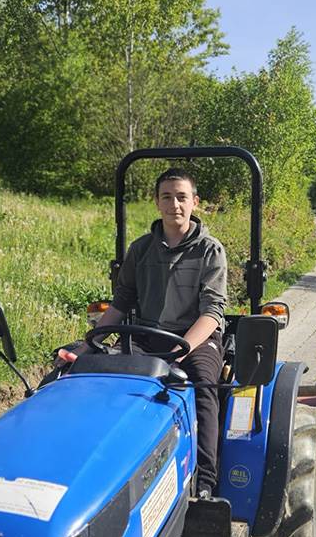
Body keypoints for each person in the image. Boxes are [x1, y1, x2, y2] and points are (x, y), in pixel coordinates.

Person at [59, 167, 227, 496]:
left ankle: (206, 482)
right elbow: (121, 303)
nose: (174, 204)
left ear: (195, 202)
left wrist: (184, 348)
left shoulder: (210, 250)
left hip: (196, 339)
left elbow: (212, 312)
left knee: (204, 389)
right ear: (157, 202)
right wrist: (87, 344)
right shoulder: (140, 249)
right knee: (109, 385)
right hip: (146, 338)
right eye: (167, 197)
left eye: (181, 197)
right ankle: (102, 475)